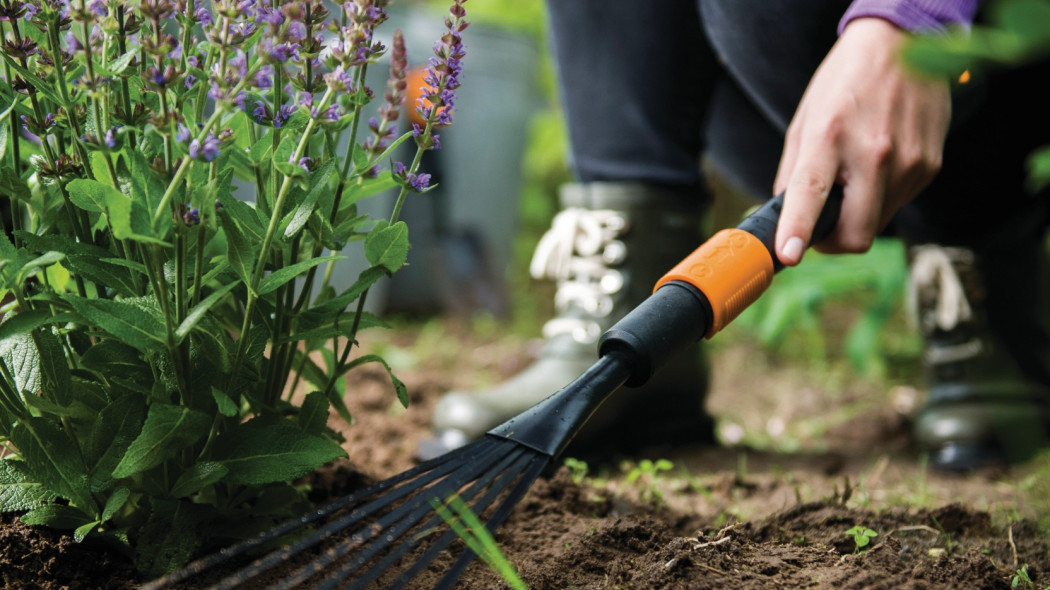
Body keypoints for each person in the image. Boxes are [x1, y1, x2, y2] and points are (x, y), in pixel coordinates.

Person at [418, 0, 1050, 472]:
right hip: (779, 108)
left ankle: (983, 284)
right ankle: (630, 314)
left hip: (987, 73)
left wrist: (912, 16)